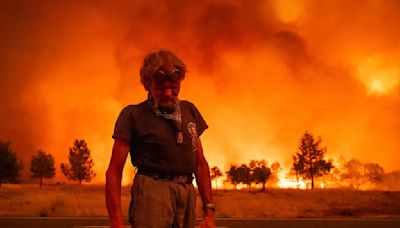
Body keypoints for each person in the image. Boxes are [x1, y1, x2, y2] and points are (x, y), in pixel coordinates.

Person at [106, 50, 215, 228]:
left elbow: (200, 163)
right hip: (152, 192)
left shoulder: (190, 111)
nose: (168, 93)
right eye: (161, 88)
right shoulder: (132, 115)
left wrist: (209, 212)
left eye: (173, 87)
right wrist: (116, 221)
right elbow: (114, 171)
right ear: (147, 83)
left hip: (187, 192)